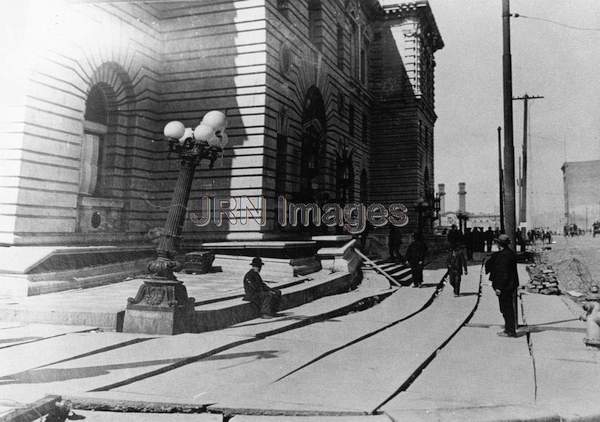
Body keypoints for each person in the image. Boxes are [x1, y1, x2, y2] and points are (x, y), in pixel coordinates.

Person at [485, 234, 519, 337]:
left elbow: (503, 273)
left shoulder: (503, 256)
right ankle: (508, 329)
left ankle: (510, 331)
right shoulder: (509, 253)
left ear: (500, 244)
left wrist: (499, 287)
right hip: (510, 285)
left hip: (505, 286)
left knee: (506, 309)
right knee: (506, 308)